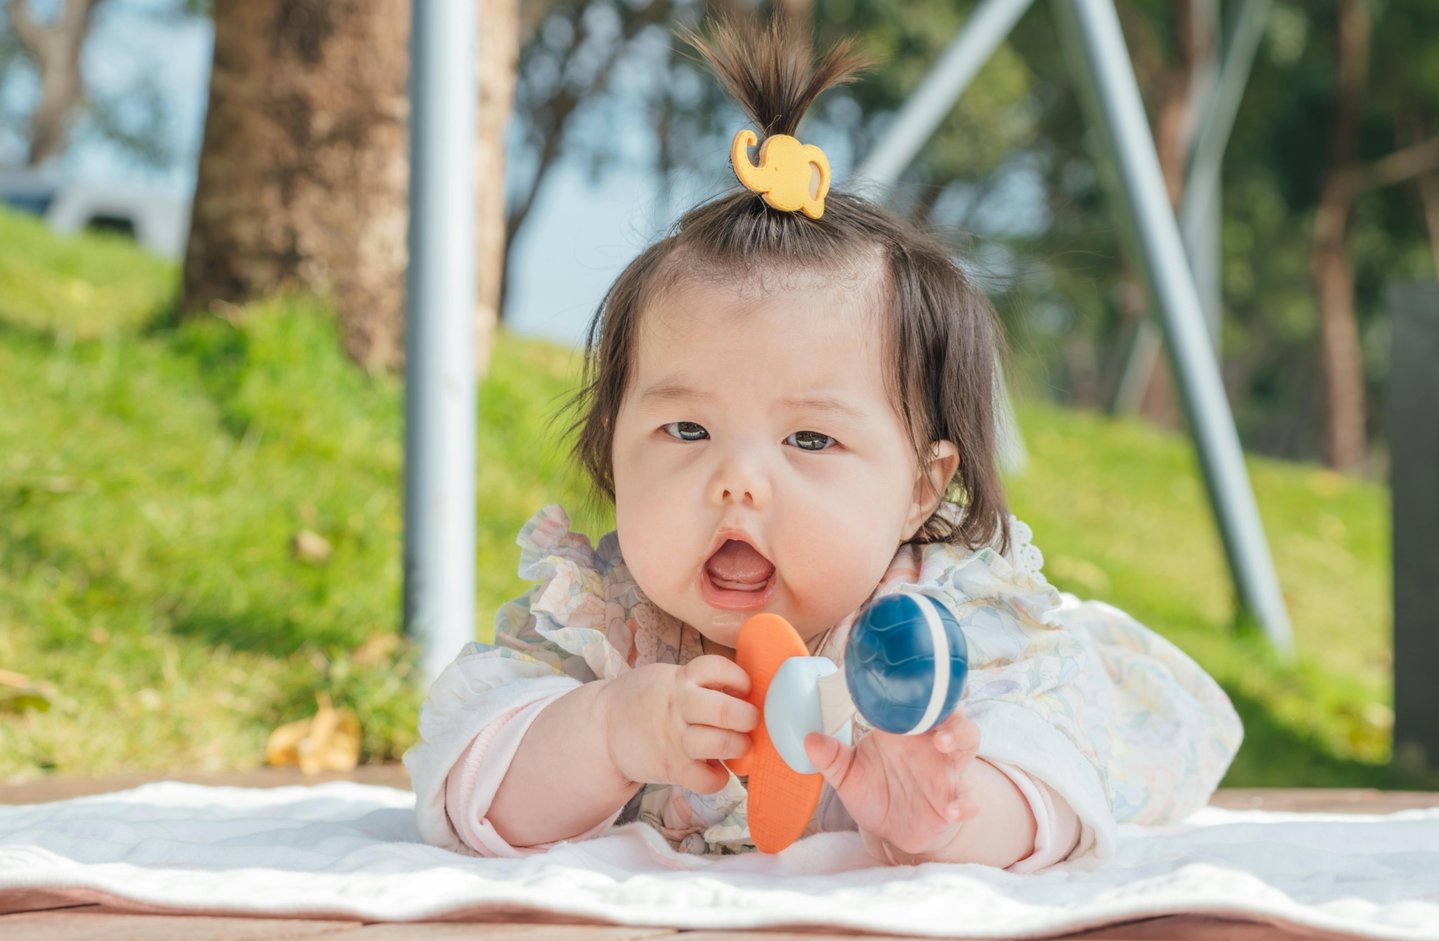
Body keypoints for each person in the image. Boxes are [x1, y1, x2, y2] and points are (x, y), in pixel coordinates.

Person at [405, 18, 1242, 870]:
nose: (737, 481)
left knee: (1076, 720)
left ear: (923, 486)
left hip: (1121, 699)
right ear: (610, 448)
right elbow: (460, 786)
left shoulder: (936, 637)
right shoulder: (603, 622)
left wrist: (947, 812)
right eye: (685, 429)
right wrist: (608, 731)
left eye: (809, 438)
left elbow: (1058, 785)